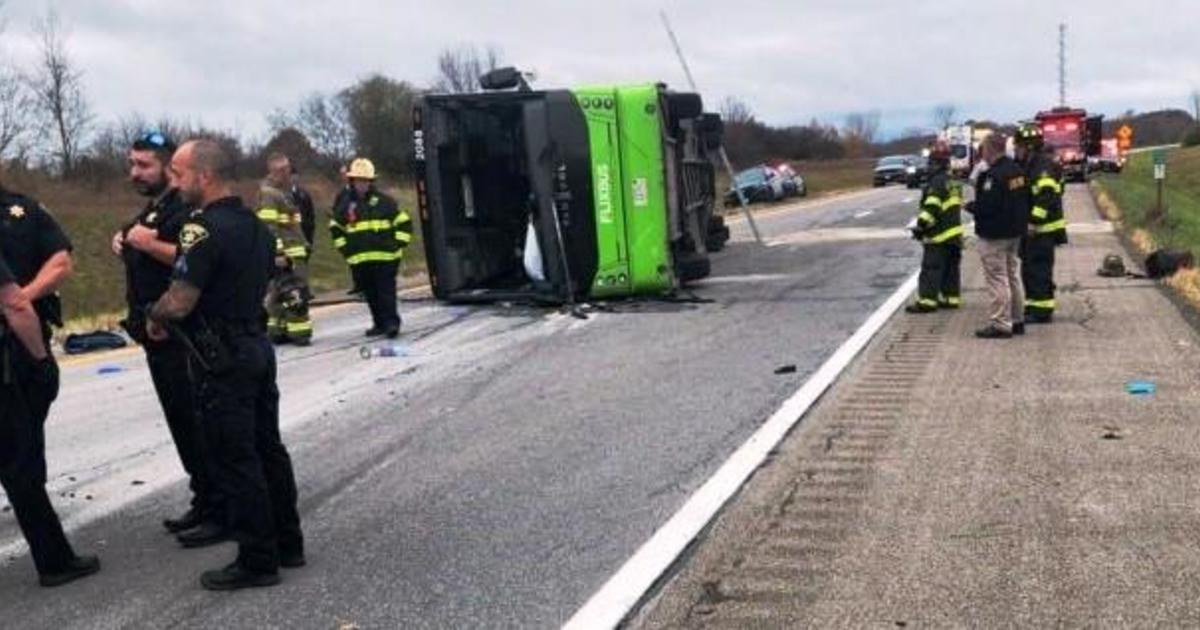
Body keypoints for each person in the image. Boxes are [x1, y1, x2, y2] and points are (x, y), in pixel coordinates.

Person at [147, 139, 304, 590]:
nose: (174, 183)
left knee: (237, 458)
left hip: (221, 358)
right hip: (256, 346)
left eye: (179, 174)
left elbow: (181, 300)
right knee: (268, 448)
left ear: (205, 176)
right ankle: (288, 543)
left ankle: (257, 559)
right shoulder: (256, 225)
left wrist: (154, 316)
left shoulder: (200, 230)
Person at [111, 130, 224, 547]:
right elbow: (144, 242)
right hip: (156, 337)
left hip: (183, 337)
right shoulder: (155, 210)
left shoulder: (187, 210)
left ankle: (220, 506)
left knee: (198, 423)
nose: (134, 172)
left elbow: (195, 257)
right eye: (131, 164)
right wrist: (126, 241)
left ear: (167, 168)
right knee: (181, 423)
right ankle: (205, 498)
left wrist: (146, 243)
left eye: (144, 165)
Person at [0, 198, 98, 587]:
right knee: (19, 458)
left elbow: (60, 260)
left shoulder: (25, 209)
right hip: (12, 355)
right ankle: (54, 560)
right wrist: (40, 360)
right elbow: (13, 304)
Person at [330, 158, 412, 338]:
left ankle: (391, 324)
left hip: (386, 259)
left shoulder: (385, 202)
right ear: (352, 181)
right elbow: (336, 228)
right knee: (371, 294)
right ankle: (379, 324)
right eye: (358, 180)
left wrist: (396, 244)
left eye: (365, 181)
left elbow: (404, 223)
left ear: (371, 182)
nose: (362, 184)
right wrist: (347, 250)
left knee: (386, 293)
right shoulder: (345, 206)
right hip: (360, 260)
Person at [968, 133, 1029, 339]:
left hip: (995, 234)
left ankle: (1001, 323)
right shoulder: (1017, 171)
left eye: (983, 149)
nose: (981, 153)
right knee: (1012, 275)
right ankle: (1017, 319)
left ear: (990, 149)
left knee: (997, 279)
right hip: (1014, 232)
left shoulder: (993, 175)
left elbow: (988, 206)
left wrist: (969, 206)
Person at [257, 153, 313, 346]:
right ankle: (300, 333)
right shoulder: (270, 194)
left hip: (293, 251)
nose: (290, 172)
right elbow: (269, 227)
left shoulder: (283, 193)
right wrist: (279, 253)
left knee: (279, 294)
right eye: (287, 169)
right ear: (279, 171)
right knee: (295, 294)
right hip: (288, 254)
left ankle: (278, 331)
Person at [1014, 122, 1067, 324]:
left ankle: (1042, 311)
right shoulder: (1031, 164)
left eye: (1018, 147)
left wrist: (1034, 221)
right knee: (1029, 269)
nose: (1016, 151)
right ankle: (1034, 305)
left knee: (1038, 269)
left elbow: (1046, 195)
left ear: (1027, 146)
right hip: (1034, 229)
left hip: (1042, 229)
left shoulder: (1042, 166)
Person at [906, 142, 964, 313]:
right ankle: (951, 298)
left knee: (931, 268)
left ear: (936, 163)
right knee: (951, 270)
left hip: (938, 235)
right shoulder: (953, 181)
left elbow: (932, 207)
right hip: (954, 234)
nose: (928, 166)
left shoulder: (936, 182)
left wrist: (920, 227)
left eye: (931, 163)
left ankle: (927, 301)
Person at [290, 165, 316, 247]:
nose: (293, 178)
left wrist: (309, 237)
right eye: (291, 175)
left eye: (295, 175)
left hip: (304, 232)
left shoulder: (304, 194)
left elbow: (310, 214)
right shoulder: (279, 194)